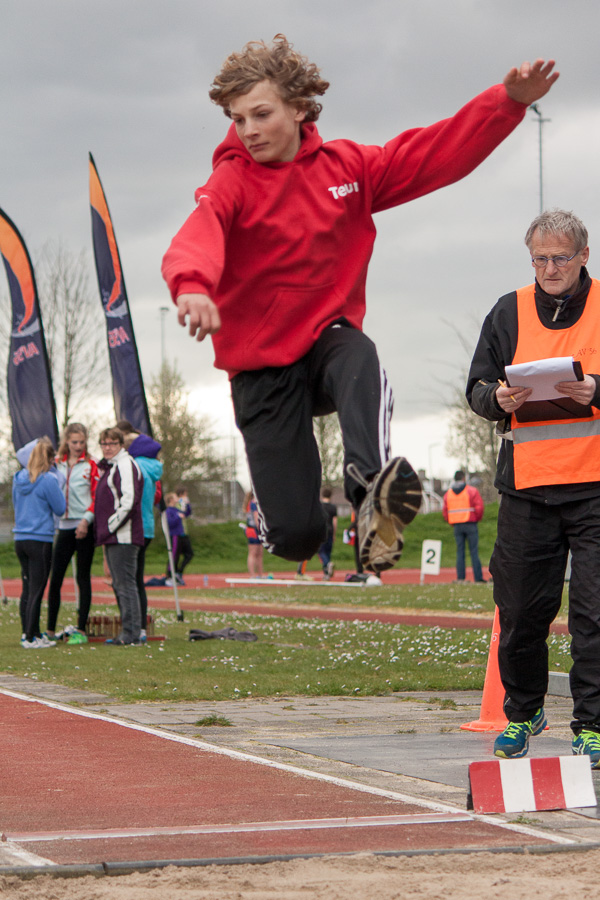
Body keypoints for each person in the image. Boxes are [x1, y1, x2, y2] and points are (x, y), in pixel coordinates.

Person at [162, 35, 558, 577]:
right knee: (299, 538)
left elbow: (432, 155)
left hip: (326, 345)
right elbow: (200, 230)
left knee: (357, 352)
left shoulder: (346, 169)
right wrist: (191, 285)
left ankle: (372, 491)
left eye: (261, 114)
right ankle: (310, 526)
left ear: (299, 108)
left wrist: (505, 104)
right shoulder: (232, 179)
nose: (248, 131)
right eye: (237, 119)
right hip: (262, 371)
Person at [467, 208, 600, 768]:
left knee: (595, 614)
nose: (549, 268)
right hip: (527, 487)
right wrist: (493, 400)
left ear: (583, 257)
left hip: (594, 486)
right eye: (540, 258)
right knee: (520, 611)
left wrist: (595, 388)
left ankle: (592, 726)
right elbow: (474, 385)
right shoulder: (507, 310)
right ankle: (523, 714)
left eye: (559, 258)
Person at [46, 424, 99, 645]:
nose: (78, 446)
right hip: (63, 527)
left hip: (84, 526)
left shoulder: (91, 465)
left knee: (83, 577)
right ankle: (49, 629)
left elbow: (97, 498)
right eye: (74, 442)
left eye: (82, 442)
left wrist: (86, 521)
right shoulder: (56, 464)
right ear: (66, 441)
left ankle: (81, 628)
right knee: (56, 577)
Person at [12, 437, 66, 649]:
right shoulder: (49, 480)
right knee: (37, 588)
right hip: (40, 538)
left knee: (27, 587)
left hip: (20, 538)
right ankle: (29, 637)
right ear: (50, 458)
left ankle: (31, 632)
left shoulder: (18, 478)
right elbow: (60, 508)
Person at [95, 427, 144, 645]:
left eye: (112, 444)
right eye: (104, 444)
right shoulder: (112, 466)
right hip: (115, 536)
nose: (107, 448)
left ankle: (131, 633)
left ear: (120, 445)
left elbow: (129, 500)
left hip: (124, 536)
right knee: (121, 584)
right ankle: (130, 631)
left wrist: (111, 525)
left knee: (125, 585)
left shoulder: (125, 465)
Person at [125, 431, 163, 639]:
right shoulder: (152, 469)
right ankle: (139, 627)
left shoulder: (135, 468)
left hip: (135, 526)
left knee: (130, 580)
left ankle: (133, 626)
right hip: (147, 526)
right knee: (137, 579)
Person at [442, 471, 485, 584]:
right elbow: (479, 507)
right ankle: (478, 578)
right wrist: (476, 518)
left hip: (457, 525)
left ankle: (461, 578)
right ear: (464, 478)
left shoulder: (448, 493)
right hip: (470, 523)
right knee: (474, 552)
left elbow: (445, 511)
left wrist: (451, 521)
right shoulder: (471, 491)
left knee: (460, 552)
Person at [163, 492, 185, 585]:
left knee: (179, 555)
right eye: (175, 497)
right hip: (174, 535)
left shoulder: (176, 509)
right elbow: (170, 523)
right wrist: (177, 517)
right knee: (173, 555)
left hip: (180, 534)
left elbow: (186, 513)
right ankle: (169, 575)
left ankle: (175, 573)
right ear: (171, 499)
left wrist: (185, 505)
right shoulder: (168, 511)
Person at [174, 486, 194, 583]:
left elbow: (187, 513)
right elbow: (179, 513)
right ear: (181, 494)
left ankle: (179, 572)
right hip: (177, 533)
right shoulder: (176, 503)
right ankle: (173, 575)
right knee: (175, 555)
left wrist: (188, 504)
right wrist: (183, 503)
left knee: (189, 554)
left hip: (184, 532)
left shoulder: (183, 503)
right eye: (185, 494)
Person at [318, 486, 338, 581]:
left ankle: (327, 565)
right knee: (328, 552)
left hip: (322, 531)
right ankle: (327, 574)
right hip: (330, 531)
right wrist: (334, 534)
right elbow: (335, 521)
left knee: (321, 552)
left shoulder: (320, 506)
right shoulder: (333, 507)